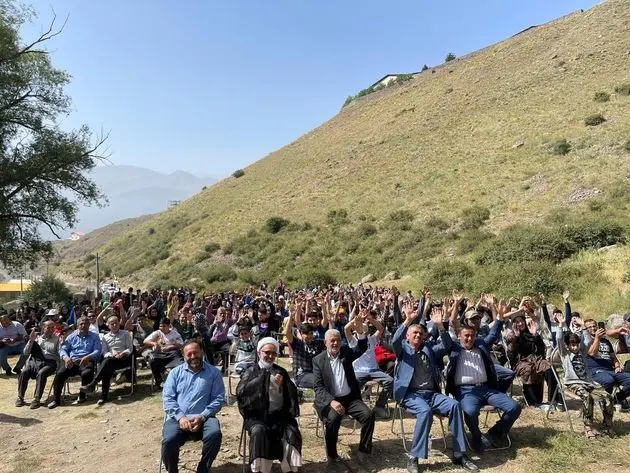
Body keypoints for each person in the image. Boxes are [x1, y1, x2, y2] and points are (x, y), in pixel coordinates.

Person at [393, 303, 477, 473]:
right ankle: (413, 458)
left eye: (420, 333)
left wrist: (440, 325)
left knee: (455, 405)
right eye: (414, 333)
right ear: (408, 336)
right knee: (425, 411)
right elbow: (394, 340)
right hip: (410, 394)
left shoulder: (429, 349)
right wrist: (408, 320)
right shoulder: (402, 350)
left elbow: (447, 345)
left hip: (431, 394)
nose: (418, 335)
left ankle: (460, 454)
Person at [445, 314, 521, 452]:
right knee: (470, 411)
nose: (469, 338)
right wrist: (442, 322)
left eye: (472, 336)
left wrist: (499, 319)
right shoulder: (455, 349)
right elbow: (446, 336)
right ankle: (476, 435)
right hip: (466, 392)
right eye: (466, 336)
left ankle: (496, 432)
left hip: (486, 389)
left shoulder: (481, 346)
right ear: (459, 337)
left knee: (514, 407)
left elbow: (493, 334)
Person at [236, 337, 302, 473]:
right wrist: (261, 379)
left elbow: (293, 395)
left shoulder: (281, 371)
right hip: (257, 417)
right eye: (267, 352)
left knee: (291, 432)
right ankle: (260, 470)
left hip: (279, 416)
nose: (270, 356)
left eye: (273, 353)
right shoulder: (250, 371)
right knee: (259, 432)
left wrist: (284, 385)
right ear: (259, 353)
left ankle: (290, 469)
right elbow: (241, 393)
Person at [313, 328, 374, 470]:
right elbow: (318, 387)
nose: (335, 343)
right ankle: (332, 456)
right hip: (331, 400)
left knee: (368, 415)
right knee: (333, 419)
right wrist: (332, 402)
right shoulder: (318, 360)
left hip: (350, 398)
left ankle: (363, 450)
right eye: (332, 341)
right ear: (325, 343)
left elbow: (362, 348)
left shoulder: (346, 352)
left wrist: (360, 333)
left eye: (338, 340)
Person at [161, 339, 224, 473]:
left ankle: (203, 469)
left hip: (204, 418)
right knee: (168, 440)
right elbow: (168, 399)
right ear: (184, 357)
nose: (193, 356)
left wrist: (202, 416)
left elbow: (218, 399)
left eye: (196, 353)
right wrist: (181, 418)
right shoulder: (175, 373)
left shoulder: (214, 373)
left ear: (202, 352)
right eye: (189, 354)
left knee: (214, 434)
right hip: (177, 418)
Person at [558, 330, 614, 438]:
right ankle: (588, 426)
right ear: (567, 346)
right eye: (573, 345)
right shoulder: (565, 354)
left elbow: (587, 340)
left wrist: (583, 327)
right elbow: (559, 339)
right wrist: (560, 325)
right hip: (573, 383)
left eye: (577, 345)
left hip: (589, 383)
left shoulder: (582, 353)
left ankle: (607, 424)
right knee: (587, 397)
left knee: (607, 396)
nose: (575, 347)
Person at [346, 309, 392, 419]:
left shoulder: (372, 339)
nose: (364, 332)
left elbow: (380, 328)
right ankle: (356, 407)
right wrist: (355, 320)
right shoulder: (352, 340)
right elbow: (346, 328)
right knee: (353, 383)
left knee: (390, 381)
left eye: (365, 330)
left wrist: (370, 319)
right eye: (361, 330)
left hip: (374, 371)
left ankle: (379, 406)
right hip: (358, 371)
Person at [48, 316, 102, 409]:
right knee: (59, 374)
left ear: (89, 325)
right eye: (81, 324)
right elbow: (62, 350)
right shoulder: (71, 336)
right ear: (77, 325)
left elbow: (97, 350)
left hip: (86, 361)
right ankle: (56, 399)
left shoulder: (94, 336)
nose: (83, 325)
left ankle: (82, 395)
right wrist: (66, 358)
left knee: (87, 373)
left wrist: (88, 356)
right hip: (72, 362)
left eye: (86, 324)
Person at [81, 315, 134, 405]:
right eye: (112, 324)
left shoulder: (125, 334)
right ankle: (102, 395)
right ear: (108, 326)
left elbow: (130, 348)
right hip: (112, 360)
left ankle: (95, 386)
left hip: (124, 359)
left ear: (118, 323)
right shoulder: (105, 337)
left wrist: (122, 353)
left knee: (106, 364)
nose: (114, 325)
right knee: (107, 365)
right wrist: (111, 354)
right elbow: (104, 352)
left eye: (116, 323)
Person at [582, 318, 630, 411]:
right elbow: (592, 353)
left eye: (594, 326)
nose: (593, 328)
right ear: (586, 329)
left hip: (610, 370)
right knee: (609, 381)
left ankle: (615, 399)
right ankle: (604, 402)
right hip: (595, 370)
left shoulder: (606, 341)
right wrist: (597, 338)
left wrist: (617, 366)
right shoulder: (585, 341)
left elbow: (613, 357)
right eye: (589, 327)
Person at [16, 322, 59, 408]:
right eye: (48, 328)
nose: (50, 330)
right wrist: (31, 341)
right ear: (43, 328)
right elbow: (25, 352)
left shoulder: (57, 339)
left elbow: (60, 353)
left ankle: (36, 399)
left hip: (49, 362)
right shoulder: (37, 338)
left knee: (41, 373)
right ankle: (20, 397)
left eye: (52, 328)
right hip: (35, 361)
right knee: (24, 371)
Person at [284, 301, 324, 389]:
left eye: (311, 333)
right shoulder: (297, 343)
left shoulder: (317, 343)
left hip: (315, 373)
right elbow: (287, 333)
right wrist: (291, 317)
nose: (309, 336)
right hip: (301, 375)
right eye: (306, 333)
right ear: (301, 334)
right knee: (320, 381)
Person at [144, 318, 184, 389]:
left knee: (179, 361)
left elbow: (181, 344)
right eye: (160, 326)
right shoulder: (158, 333)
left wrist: (170, 347)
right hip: (160, 354)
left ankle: (179, 381)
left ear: (169, 326)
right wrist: (154, 343)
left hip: (172, 353)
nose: (161, 328)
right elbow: (145, 341)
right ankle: (158, 380)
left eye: (164, 326)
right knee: (152, 360)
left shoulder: (174, 333)